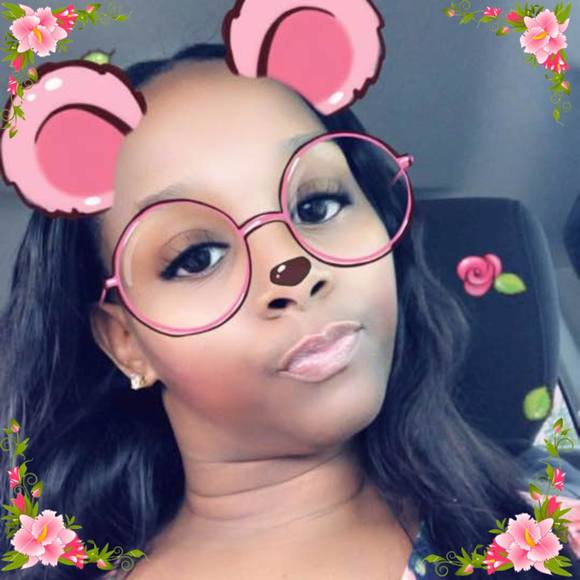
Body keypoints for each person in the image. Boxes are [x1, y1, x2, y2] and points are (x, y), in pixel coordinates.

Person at [0, 42, 578, 580]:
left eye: (318, 204)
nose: (294, 269)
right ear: (125, 340)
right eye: (197, 257)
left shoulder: (547, 519)